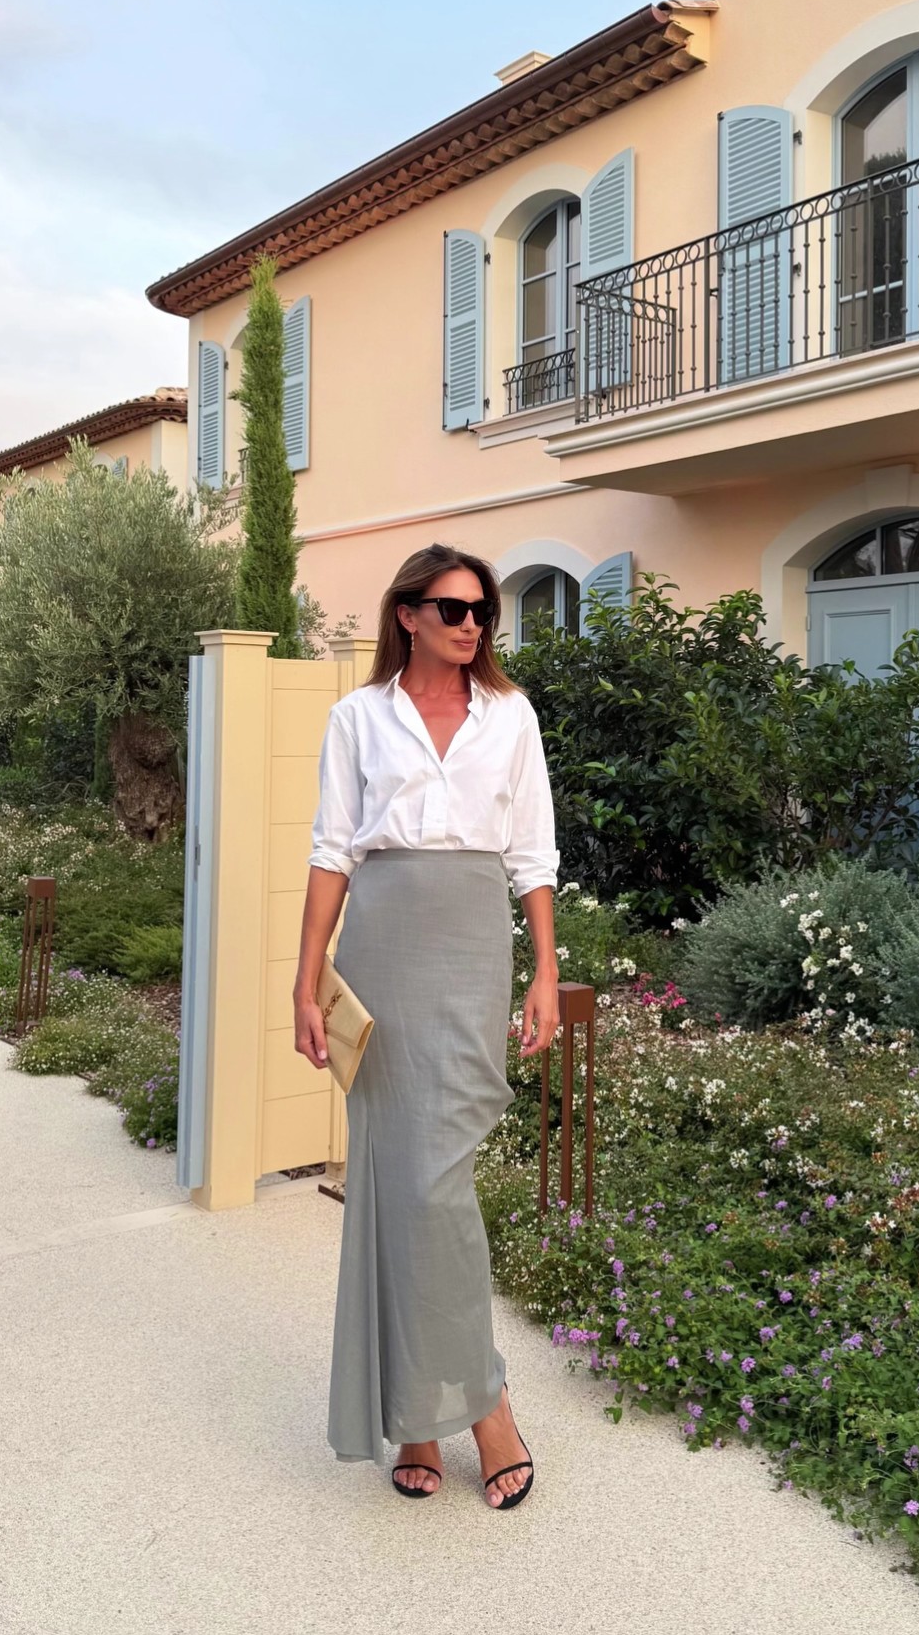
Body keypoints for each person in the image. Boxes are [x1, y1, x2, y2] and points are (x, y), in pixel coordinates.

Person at [292, 541, 560, 1509]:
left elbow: (533, 853)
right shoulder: (358, 716)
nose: (472, 624)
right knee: (397, 1182)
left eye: (482, 610)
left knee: (437, 1183)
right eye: (453, 608)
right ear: (406, 614)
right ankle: (421, 1410)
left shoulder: (511, 715)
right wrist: (305, 979)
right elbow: (333, 850)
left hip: (472, 941)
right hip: (385, 946)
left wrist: (545, 971)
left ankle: (477, 1399)